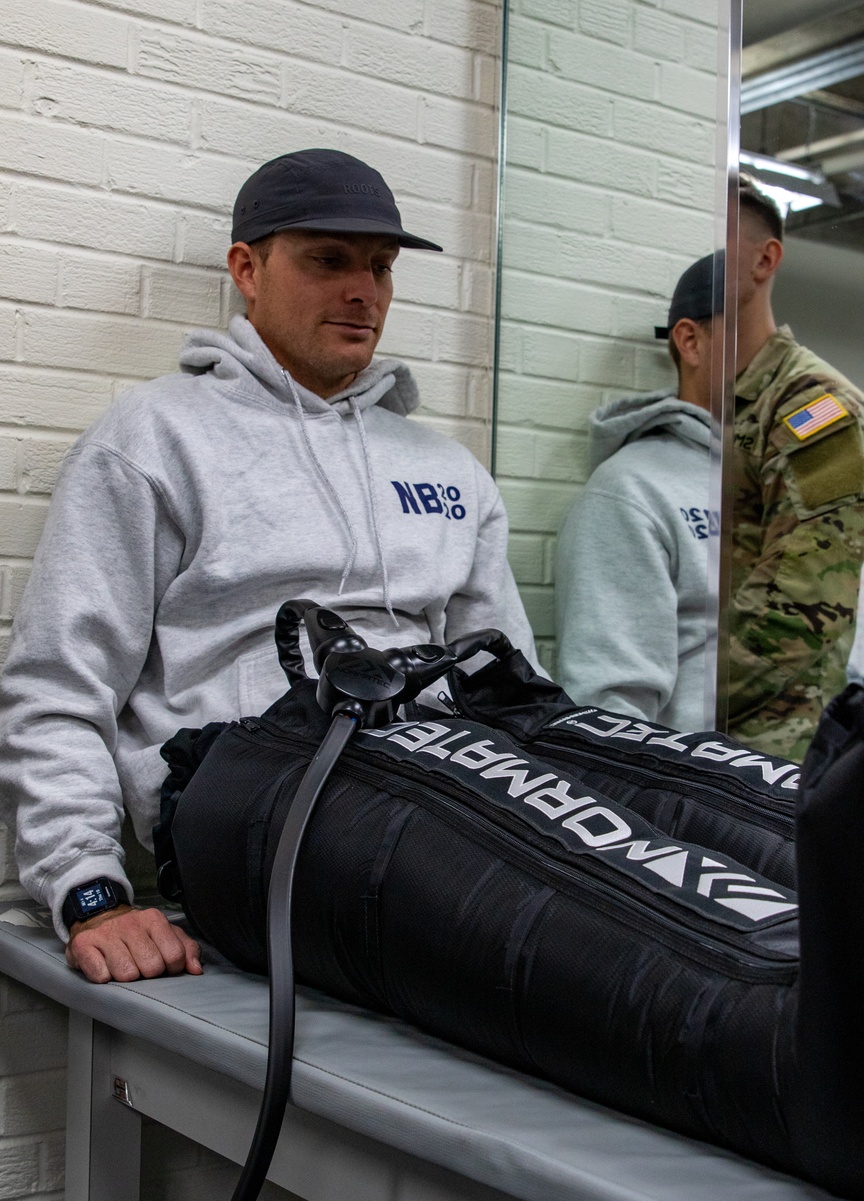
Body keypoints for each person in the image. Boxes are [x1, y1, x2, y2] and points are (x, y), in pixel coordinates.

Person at [0, 149, 539, 984]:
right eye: (329, 261)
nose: (365, 291)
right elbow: (58, 688)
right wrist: (91, 891)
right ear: (246, 270)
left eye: (382, 268)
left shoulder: (450, 471)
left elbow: (510, 682)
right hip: (252, 808)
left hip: (440, 793)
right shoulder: (153, 439)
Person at [726, 173, 864, 761]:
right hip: (694, 745)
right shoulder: (708, 401)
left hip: (769, 760)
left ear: (764, 259)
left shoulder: (817, 413)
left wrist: (675, 700)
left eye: (713, 240)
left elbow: (793, 617)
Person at [553, 251, 722, 731]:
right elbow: (610, 710)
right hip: (713, 791)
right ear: (690, 341)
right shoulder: (632, 490)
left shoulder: (787, 485)